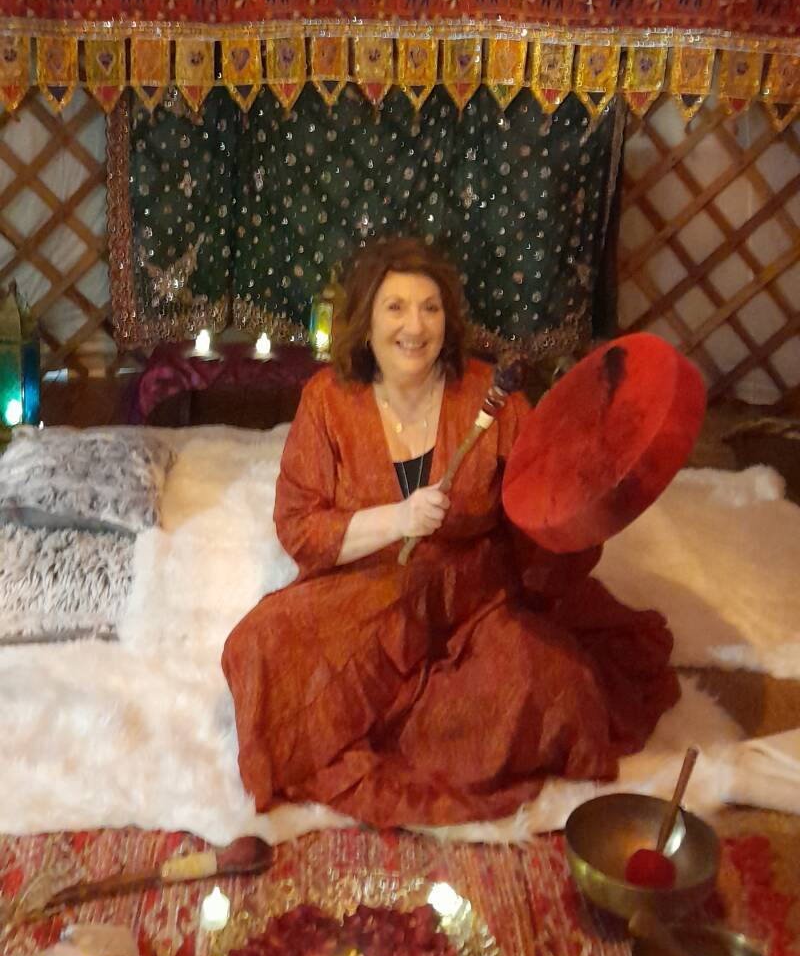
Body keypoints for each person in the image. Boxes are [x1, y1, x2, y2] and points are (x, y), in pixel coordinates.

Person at [222, 237, 680, 828]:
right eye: (395, 308)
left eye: (430, 308)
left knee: (553, 689)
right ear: (365, 323)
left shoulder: (492, 397)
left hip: (472, 602)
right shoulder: (329, 401)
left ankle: (416, 722)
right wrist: (397, 519)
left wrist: (582, 508)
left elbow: (538, 509)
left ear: (448, 320)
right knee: (259, 645)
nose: (415, 326)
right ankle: (383, 716)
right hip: (367, 590)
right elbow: (300, 527)